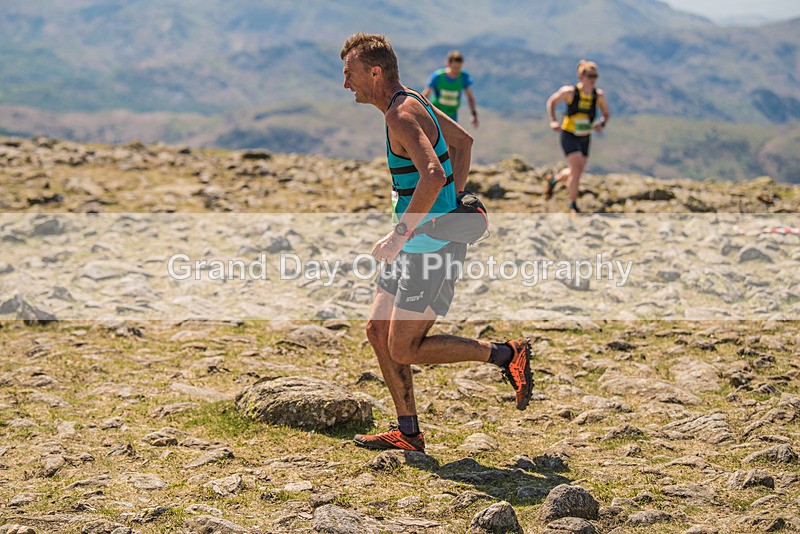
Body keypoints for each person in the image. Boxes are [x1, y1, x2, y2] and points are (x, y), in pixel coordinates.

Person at [340, 33, 532, 452]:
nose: (345, 84)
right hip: (415, 245)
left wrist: (401, 233)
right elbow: (463, 142)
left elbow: (432, 173)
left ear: (375, 72)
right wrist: (450, 206)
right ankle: (408, 433)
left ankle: (505, 354)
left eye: (350, 73)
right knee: (377, 331)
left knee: (404, 347)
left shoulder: (400, 116)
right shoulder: (412, 100)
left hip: (428, 250)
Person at [545, 60, 611, 213]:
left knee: (577, 170)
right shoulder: (570, 92)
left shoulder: (598, 96)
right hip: (569, 134)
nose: (593, 79)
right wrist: (553, 121)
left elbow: (606, 114)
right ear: (581, 76)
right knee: (577, 169)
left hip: (585, 136)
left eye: (595, 75)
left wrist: (601, 124)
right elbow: (552, 101)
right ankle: (573, 204)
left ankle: (554, 180)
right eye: (589, 75)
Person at [422, 50, 479, 128]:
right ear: (448, 64)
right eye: (455, 67)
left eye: (459, 67)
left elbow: (470, 97)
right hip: (436, 115)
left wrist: (473, 114)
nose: (457, 70)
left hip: (452, 116)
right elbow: (426, 95)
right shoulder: (438, 77)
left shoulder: (463, 77)